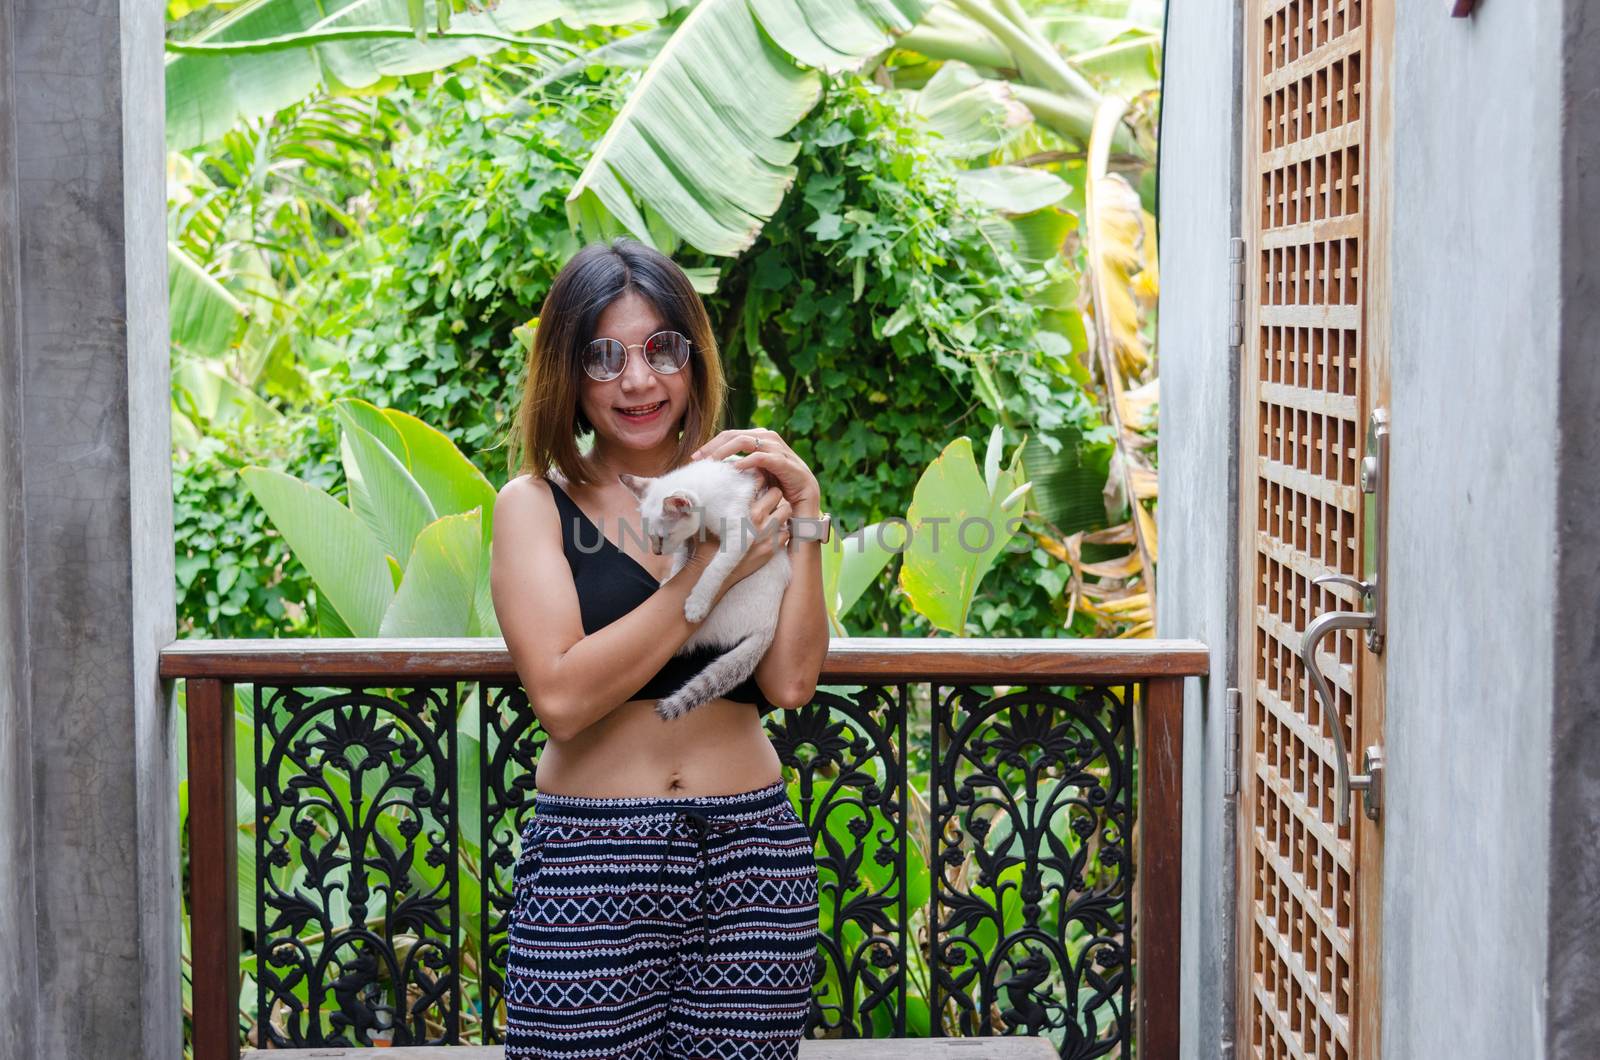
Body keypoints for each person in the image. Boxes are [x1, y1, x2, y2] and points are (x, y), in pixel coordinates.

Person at [489, 237, 829, 1059]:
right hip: (590, 861)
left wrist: (807, 514)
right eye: (603, 357)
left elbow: (788, 682)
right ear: (567, 374)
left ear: (694, 360)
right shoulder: (533, 505)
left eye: (660, 350)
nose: (637, 381)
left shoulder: (751, 492)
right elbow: (563, 700)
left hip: (751, 852)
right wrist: (710, 573)